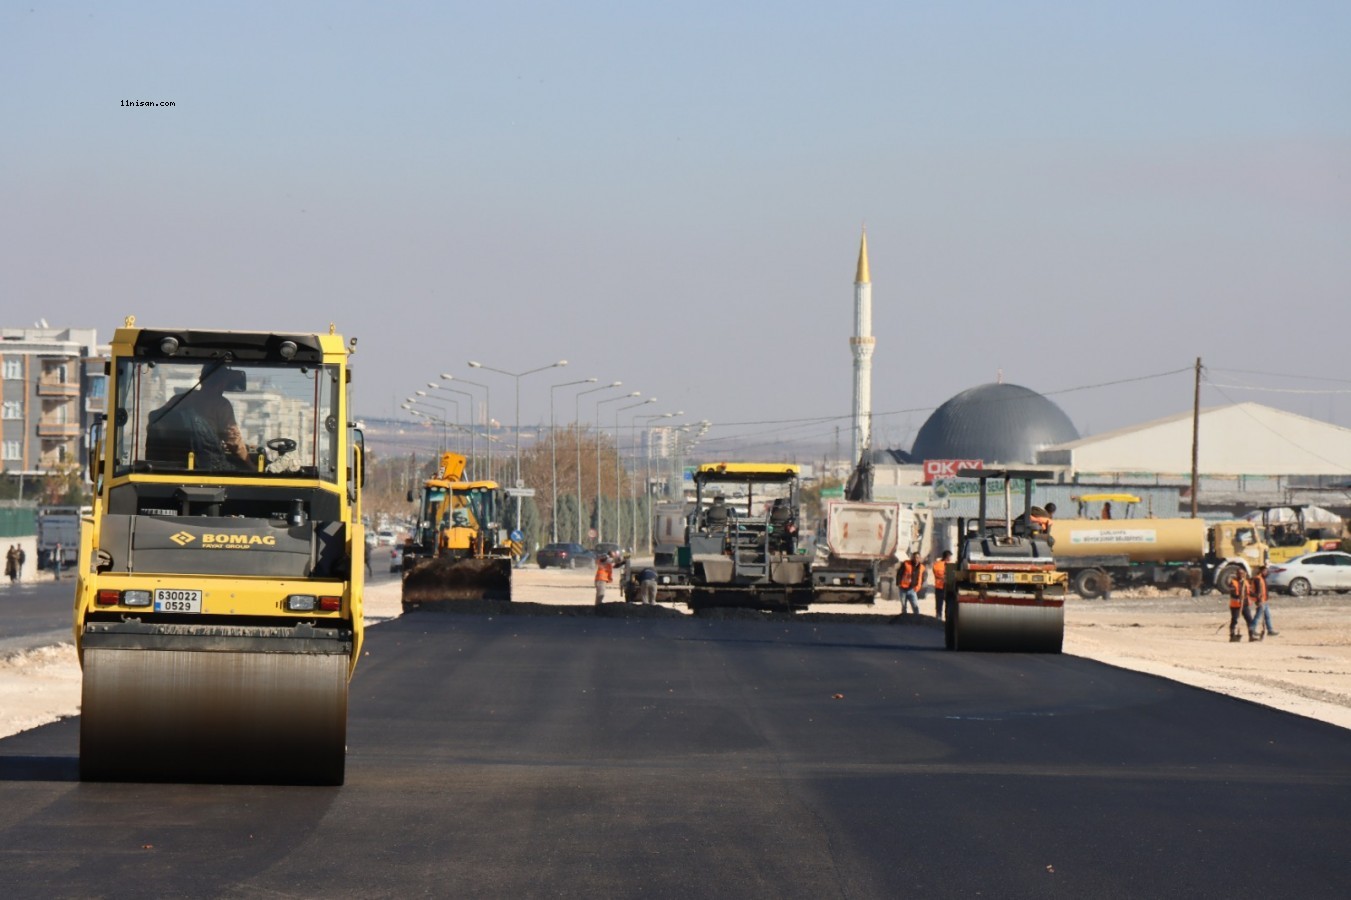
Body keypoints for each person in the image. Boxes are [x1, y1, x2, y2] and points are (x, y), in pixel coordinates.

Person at [145, 364, 250, 470]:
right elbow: (233, 441)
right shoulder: (221, 404)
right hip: (206, 465)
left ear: (201, 380)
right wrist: (250, 464)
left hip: (171, 464)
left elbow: (157, 420)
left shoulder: (178, 399)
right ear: (223, 383)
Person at [1228, 570, 1255, 642]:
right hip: (1235, 605)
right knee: (1234, 620)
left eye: (1242, 573)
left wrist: (1257, 596)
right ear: (1237, 574)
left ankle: (1251, 635)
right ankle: (1232, 635)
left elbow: (1250, 592)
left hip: (1245, 604)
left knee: (1249, 620)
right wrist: (1239, 596)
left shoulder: (1246, 582)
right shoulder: (1233, 582)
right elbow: (1232, 592)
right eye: (1239, 573)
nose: (1241, 575)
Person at [1251, 565, 1277, 637]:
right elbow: (1258, 591)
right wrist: (1259, 601)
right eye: (1265, 571)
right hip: (1261, 601)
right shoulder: (1258, 579)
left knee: (1267, 616)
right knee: (1258, 616)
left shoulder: (1262, 578)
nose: (1267, 572)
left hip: (1264, 600)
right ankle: (1252, 628)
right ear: (1261, 571)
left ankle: (1270, 630)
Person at [933, 550, 952, 618]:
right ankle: (938, 617)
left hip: (948, 587)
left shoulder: (950, 565)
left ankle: (947, 618)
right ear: (947, 557)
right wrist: (945, 576)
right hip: (940, 587)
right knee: (939, 603)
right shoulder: (938, 564)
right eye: (949, 557)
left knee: (949, 604)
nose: (950, 558)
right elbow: (937, 573)